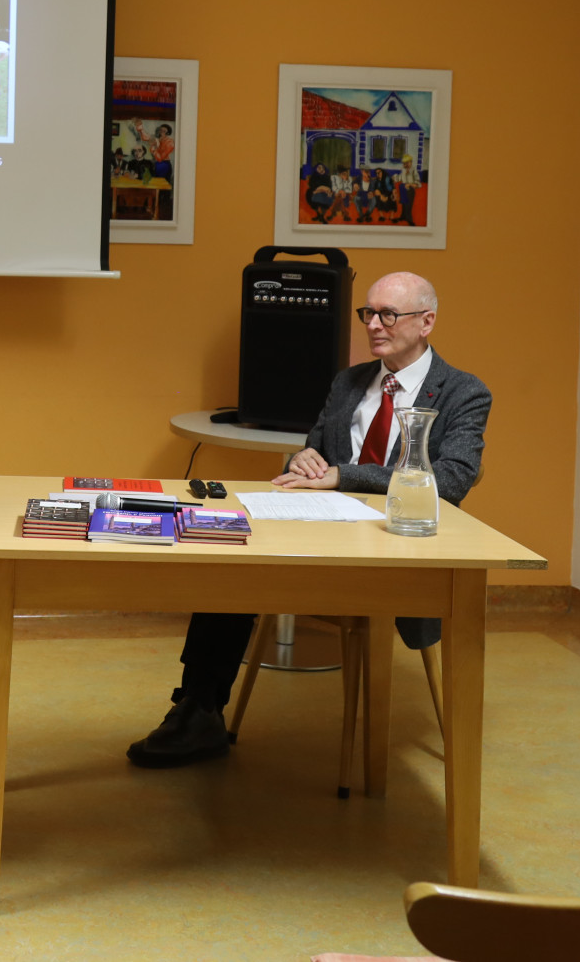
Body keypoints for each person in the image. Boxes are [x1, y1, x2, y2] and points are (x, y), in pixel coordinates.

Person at [126, 272, 492, 768]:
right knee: (230, 561)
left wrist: (344, 475)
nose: (374, 325)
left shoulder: (463, 392)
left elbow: (450, 480)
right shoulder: (348, 382)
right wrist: (303, 460)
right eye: (368, 313)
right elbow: (314, 453)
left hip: (400, 552)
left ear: (426, 322)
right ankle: (199, 709)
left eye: (388, 315)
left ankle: (201, 709)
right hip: (321, 537)